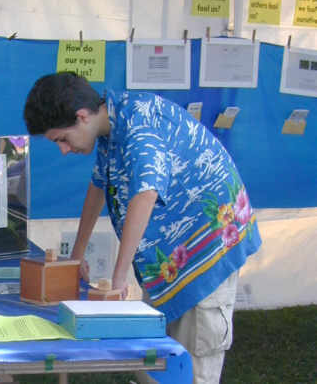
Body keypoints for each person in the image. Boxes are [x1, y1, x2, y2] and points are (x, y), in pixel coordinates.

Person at [24, 72, 262, 384]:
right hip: (169, 259)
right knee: (154, 359)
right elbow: (98, 187)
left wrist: (119, 279)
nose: (63, 150)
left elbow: (146, 194)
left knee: (191, 364)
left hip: (209, 252)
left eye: (61, 140)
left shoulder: (140, 125)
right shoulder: (111, 122)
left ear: (81, 116)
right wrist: (76, 255)